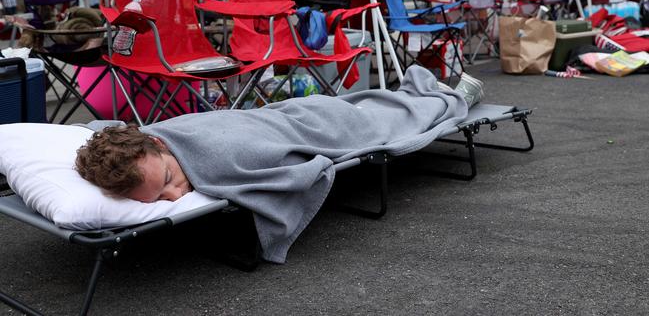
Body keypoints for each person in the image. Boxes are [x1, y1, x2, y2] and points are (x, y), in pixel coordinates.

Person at [75, 66, 483, 262]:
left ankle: (446, 96)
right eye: (160, 198)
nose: (176, 194)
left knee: (388, 118)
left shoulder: (197, 151)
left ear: (156, 142)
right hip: (290, 115)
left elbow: (307, 168)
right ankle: (424, 94)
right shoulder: (146, 147)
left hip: (320, 123)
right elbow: (108, 134)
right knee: (372, 103)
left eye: (169, 178)